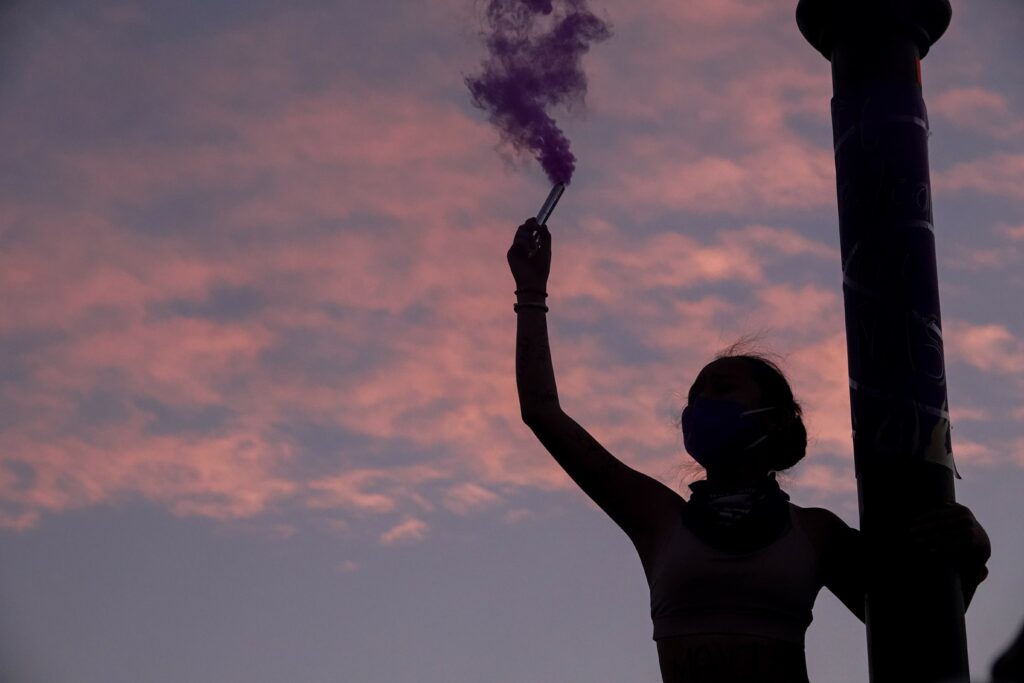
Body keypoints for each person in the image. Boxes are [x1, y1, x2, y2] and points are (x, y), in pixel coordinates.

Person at [508, 217, 991, 682]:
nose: (699, 406)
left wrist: (971, 552)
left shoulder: (815, 532)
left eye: (721, 389)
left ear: (777, 419)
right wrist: (530, 292)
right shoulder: (657, 517)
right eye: (694, 398)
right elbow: (541, 412)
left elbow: (912, 626)